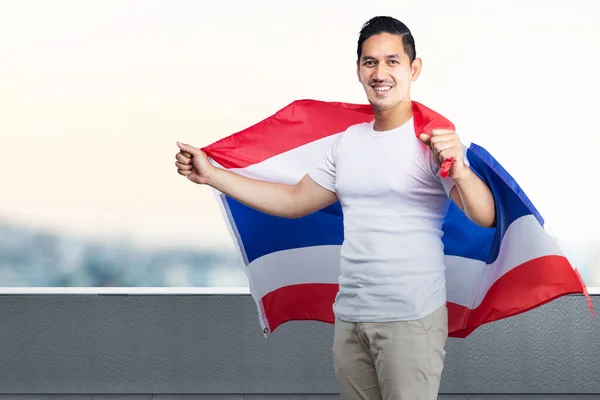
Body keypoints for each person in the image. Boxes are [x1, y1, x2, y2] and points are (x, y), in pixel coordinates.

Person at [175, 16, 496, 400]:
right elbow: (294, 201)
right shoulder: (347, 143)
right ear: (358, 70)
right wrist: (213, 176)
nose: (380, 73)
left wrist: (459, 168)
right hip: (351, 319)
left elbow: (484, 214)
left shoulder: (430, 141)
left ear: (414, 68)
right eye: (370, 62)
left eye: (392, 61)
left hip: (410, 319)